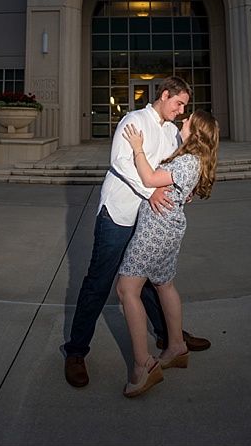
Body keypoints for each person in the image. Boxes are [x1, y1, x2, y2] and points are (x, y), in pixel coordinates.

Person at [63, 76, 211, 388]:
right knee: (100, 282)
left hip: (148, 220)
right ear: (165, 94)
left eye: (185, 106)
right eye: (178, 103)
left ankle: (170, 337)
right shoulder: (135, 120)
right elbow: (120, 161)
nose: (181, 110)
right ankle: (76, 351)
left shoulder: (172, 130)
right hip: (117, 213)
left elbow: (176, 167)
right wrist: (151, 193)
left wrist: (186, 191)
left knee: (147, 282)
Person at [116, 109, 218, 397]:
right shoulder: (192, 161)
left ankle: (143, 365)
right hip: (168, 228)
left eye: (189, 120)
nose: (182, 120)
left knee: (126, 290)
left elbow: (149, 179)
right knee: (163, 284)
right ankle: (176, 347)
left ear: (196, 132)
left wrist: (137, 149)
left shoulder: (187, 161)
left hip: (156, 230)